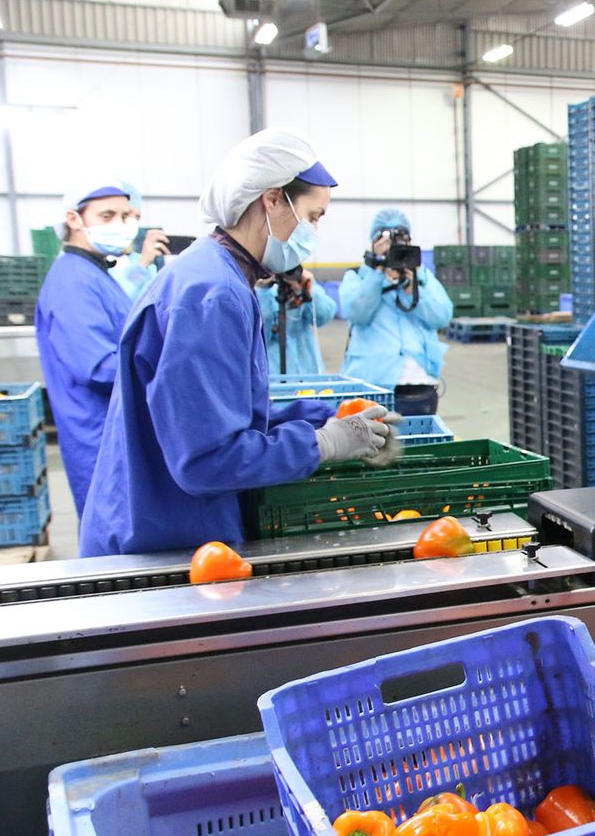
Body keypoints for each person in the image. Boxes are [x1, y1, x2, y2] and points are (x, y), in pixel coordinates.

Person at [80, 128, 397, 557]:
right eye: (314, 216)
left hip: (164, 525)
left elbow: (222, 413)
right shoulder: (213, 296)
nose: (314, 231)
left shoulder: (216, 274)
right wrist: (323, 443)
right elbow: (207, 459)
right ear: (271, 199)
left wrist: (326, 416)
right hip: (162, 542)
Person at [35, 182, 160, 517]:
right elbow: (98, 368)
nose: (120, 224)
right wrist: (167, 375)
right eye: (107, 215)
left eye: (126, 215)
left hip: (116, 432)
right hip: (100, 438)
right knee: (113, 536)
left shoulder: (96, 274)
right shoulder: (73, 282)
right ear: (74, 219)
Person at [339, 208, 453, 415]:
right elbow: (357, 313)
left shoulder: (422, 278)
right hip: (370, 383)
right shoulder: (358, 277)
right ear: (373, 243)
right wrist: (378, 272)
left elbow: (442, 316)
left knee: (419, 446)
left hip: (418, 385)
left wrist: (412, 288)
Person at [257, 266, 337, 375]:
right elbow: (261, 334)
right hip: (275, 377)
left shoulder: (299, 281)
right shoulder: (259, 289)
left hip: (309, 374)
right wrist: (263, 290)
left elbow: (324, 315)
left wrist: (307, 290)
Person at [110, 181, 171, 302]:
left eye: (136, 217)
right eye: (126, 215)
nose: (132, 223)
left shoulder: (142, 262)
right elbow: (114, 303)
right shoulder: (86, 263)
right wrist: (142, 265)